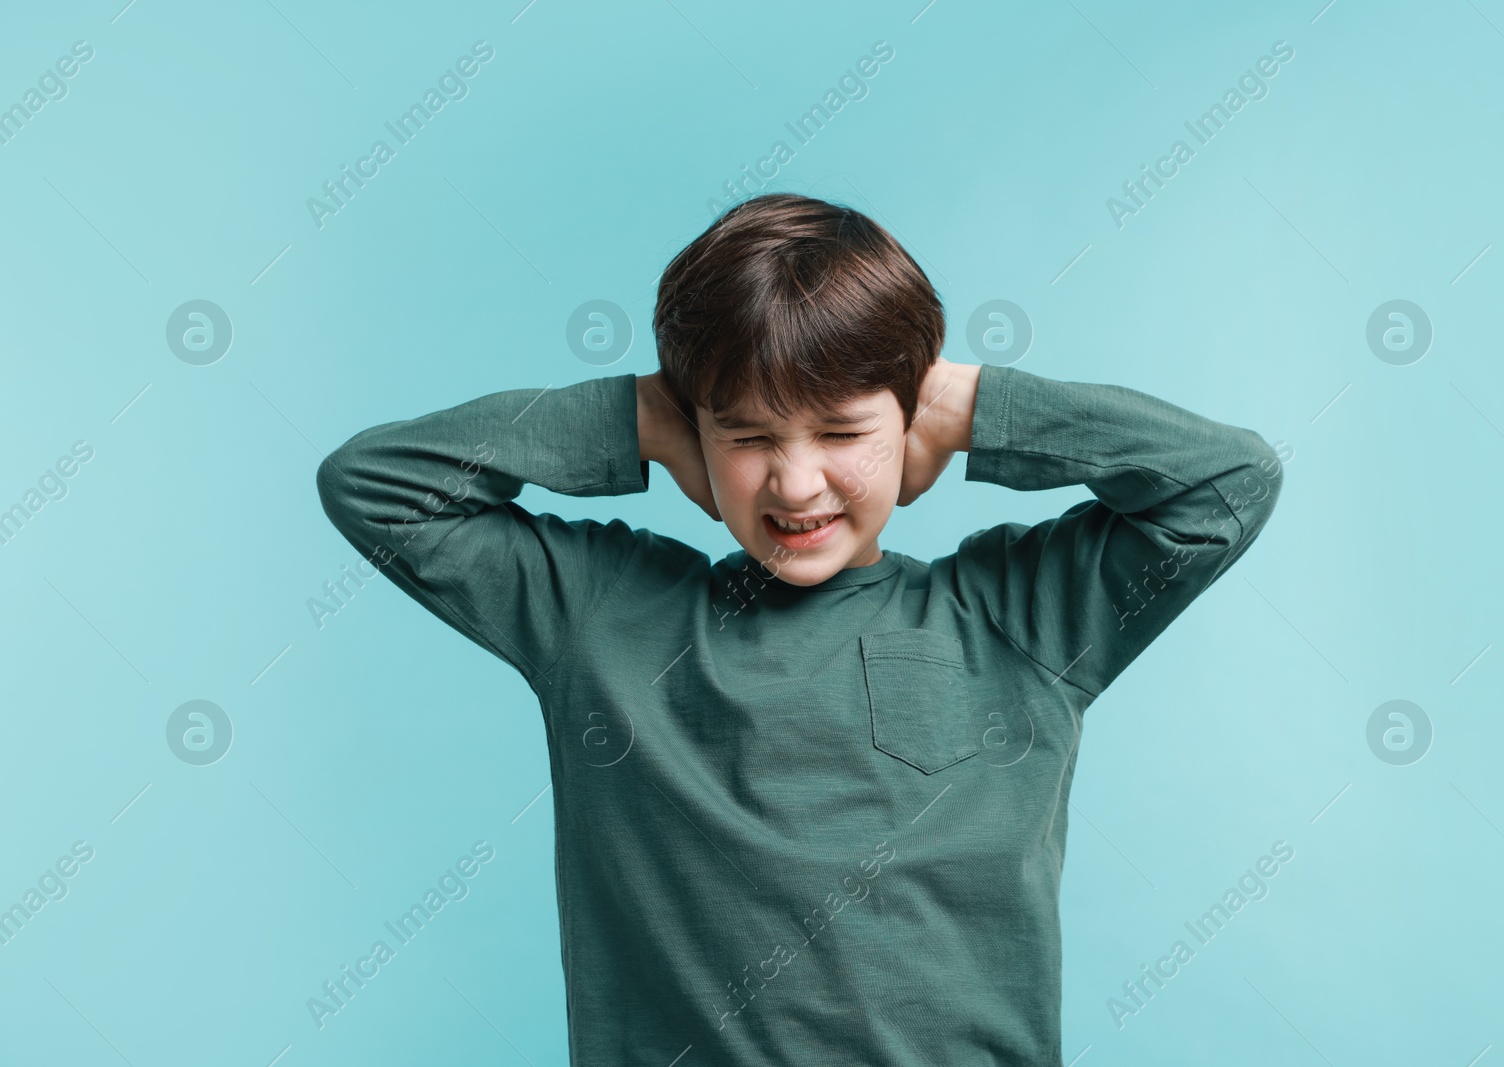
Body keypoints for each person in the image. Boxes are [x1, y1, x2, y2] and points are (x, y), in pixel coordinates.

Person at [316, 192, 1284, 1065]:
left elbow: (1227, 484)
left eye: (840, 431)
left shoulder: (1017, 616)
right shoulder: (601, 616)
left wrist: (974, 405)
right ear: (697, 436)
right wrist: (642, 418)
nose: (794, 481)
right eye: (746, 436)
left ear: (908, 426)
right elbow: (376, 484)